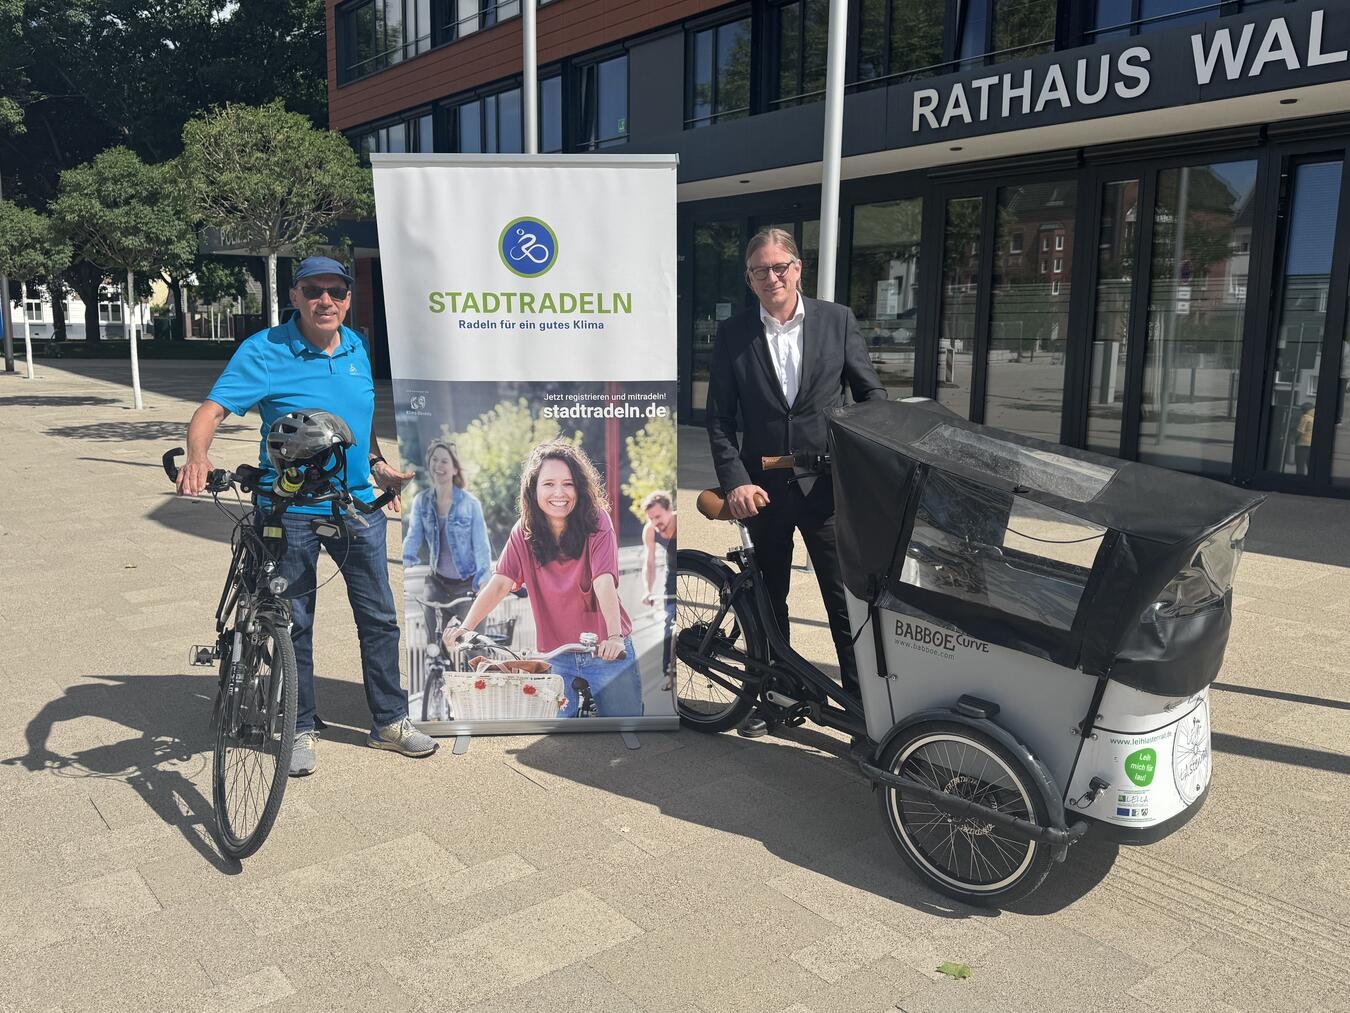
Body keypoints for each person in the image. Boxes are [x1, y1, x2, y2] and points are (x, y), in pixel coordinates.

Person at [176, 255, 438, 775]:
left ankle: (389, 722)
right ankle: (300, 726)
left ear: (347, 297)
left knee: (380, 620)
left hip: (357, 508)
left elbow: (356, 423)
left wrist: (377, 464)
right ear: (293, 295)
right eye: (314, 290)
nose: (327, 301)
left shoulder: (358, 345)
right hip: (288, 509)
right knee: (295, 623)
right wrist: (198, 455)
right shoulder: (265, 351)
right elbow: (210, 412)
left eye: (337, 292)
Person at [706, 227, 886, 736]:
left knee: (843, 599)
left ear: (798, 268)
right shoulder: (734, 334)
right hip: (761, 491)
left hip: (827, 488)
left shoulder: (837, 321)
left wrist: (865, 459)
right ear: (749, 278)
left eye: (779, 266)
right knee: (768, 596)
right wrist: (735, 480)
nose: (771, 277)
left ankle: (860, 709)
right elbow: (719, 419)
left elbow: (872, 398)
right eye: (760, 270)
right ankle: (774, 695)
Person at [445, 440, 643, 718]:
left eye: (568, 484)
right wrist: (466, 628)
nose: (559, 493)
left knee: (628, 727)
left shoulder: (597, 521)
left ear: (580, 488)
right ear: (533, 489)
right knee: (556, 739)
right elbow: (501, 583)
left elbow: (603, 581)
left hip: (605, 651)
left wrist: (614, 637)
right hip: (556, 655)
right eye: (548, 484)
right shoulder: (524, 532)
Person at [401, 439, 493, 638]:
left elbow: (481, 547)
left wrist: (484, 583)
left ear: (454, 469)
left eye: (444, 461)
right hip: (437, 585)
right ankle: (437, 667)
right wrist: (400, 566)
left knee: (473, 646)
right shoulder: (421, 501)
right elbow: (413, 538)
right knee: (434, 647)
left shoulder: (470, 504)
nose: (438, 465)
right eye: (435, 460)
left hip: (468, 586)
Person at [640, 490, 677, 689]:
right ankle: (668, 672)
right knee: (669, 621)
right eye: (651, 518)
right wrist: (647, 590)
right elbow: (650, 563)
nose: (655, 522)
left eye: (658, 516)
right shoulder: (650, 531)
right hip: (671, 575)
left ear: (670, 510)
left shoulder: (680, 522)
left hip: (688, 567)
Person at [1295, 402, 1315, 476]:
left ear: (1304, 410)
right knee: (1309, 465)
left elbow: (1300, 431)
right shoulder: (1314, 417)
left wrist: (1294, 439)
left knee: (1300, 465)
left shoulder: (1305, 417)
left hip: (1302, 444)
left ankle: (1299, 481)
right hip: (1311, 444)